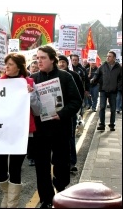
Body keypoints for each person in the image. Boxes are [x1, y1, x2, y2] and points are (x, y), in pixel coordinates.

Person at [0, 53, 41, 207]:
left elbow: (38, 111)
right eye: (6, 64)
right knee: (0, 170)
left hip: (21, 134)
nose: (6, 67)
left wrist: (31, 94)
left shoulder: (30, 82)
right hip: (1, 133)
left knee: (15, 168)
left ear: (19, 66)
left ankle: (12, 203)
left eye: (10, 64)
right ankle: (7, 195)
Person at [30, 46, 82, 208]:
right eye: (37, 58)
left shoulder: (65, 77)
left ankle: (61, 188)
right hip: (40, 131)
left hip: (60, 128)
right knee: (41, 167)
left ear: (52, 59)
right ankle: (46, 198)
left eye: (43, 58)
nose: (39, 61)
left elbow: (76, 101)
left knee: (61, 164)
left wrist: (62, 114)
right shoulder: (32, 78)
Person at [58, 55, 84, 173]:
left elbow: (80, 93)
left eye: (63, 62)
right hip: (56, 113)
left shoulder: (73, 75)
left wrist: (76, 109)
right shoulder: (54, 76)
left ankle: (72, 162)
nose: (61, 64)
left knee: (70, 137)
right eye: (60, 62)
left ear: (67, 63)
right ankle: (60, 162)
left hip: (69, 112)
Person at [91, 51, 122, 132]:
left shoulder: (119, 68)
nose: (108, 57)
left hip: (113, 91)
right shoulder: (103, 66)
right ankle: (102, 124)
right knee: (102, 107)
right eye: (107, 56)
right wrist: (93, 79)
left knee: (113, 109)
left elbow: (121, 79)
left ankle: (112, 124)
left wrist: (118, 87)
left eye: (110, 56)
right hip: (103, 90)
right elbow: (97, 74)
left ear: (114, 58)